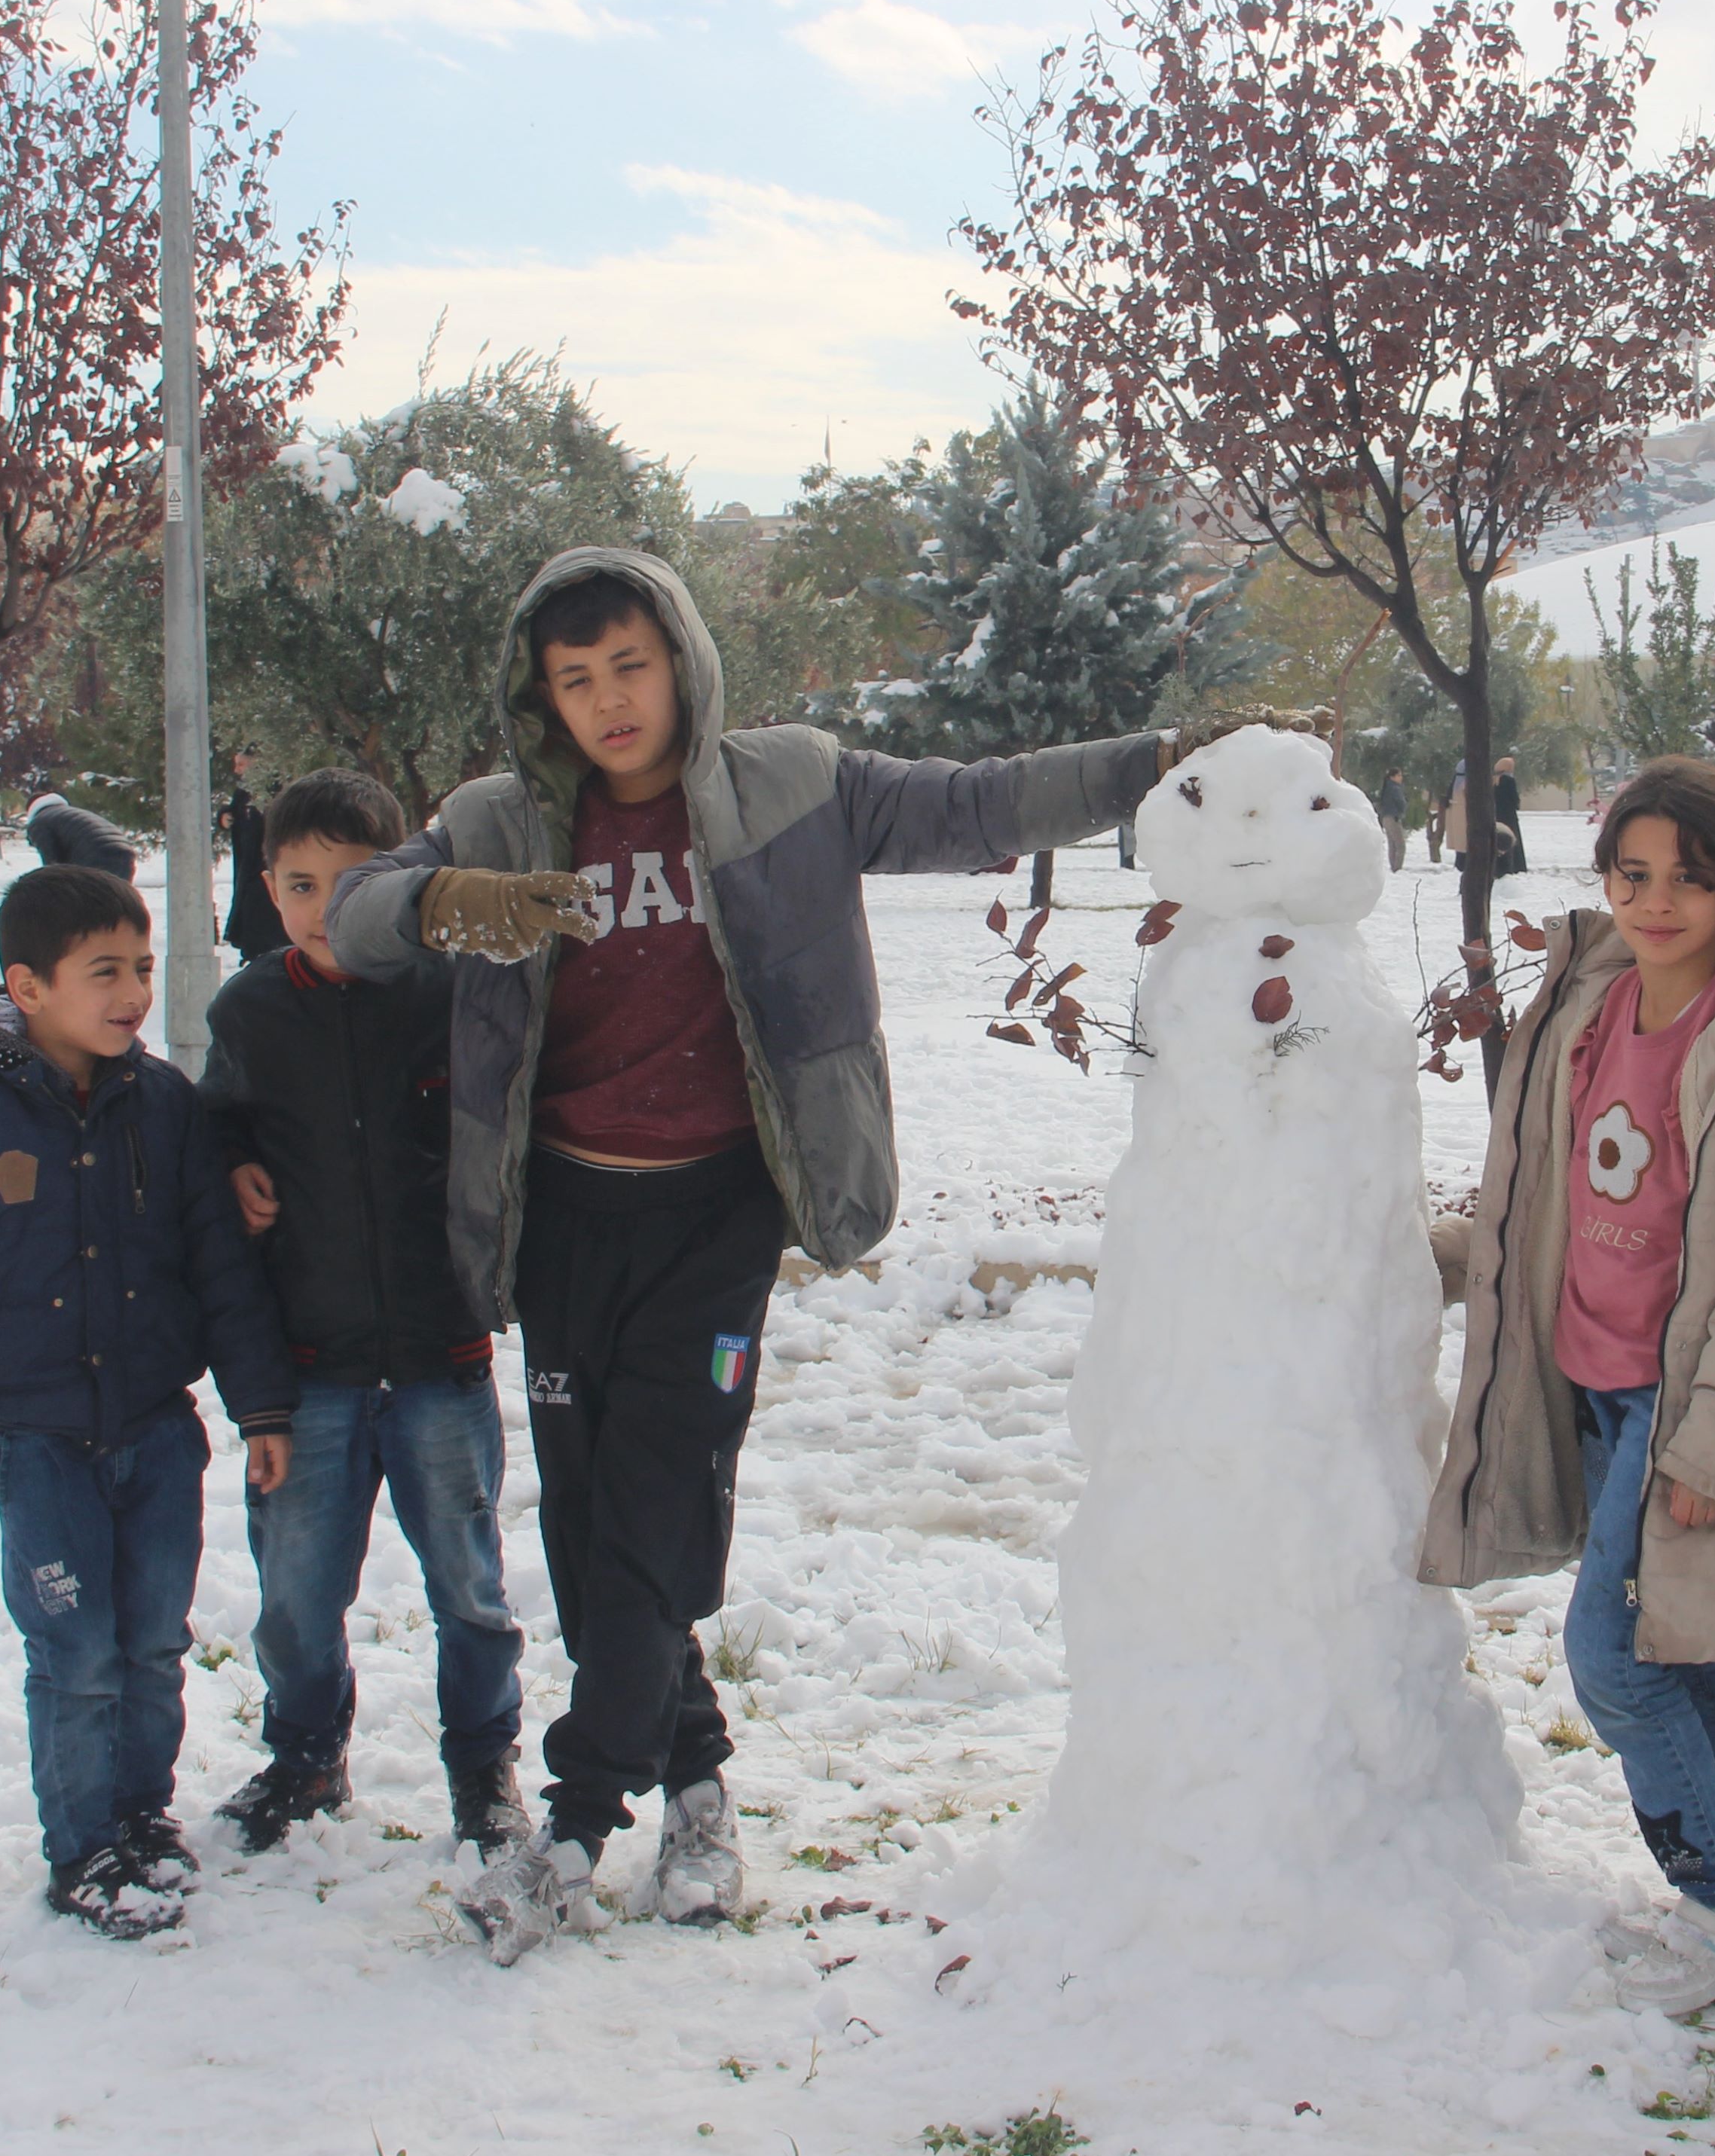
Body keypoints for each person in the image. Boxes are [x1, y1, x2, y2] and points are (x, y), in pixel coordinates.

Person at [324, 546, 1193, 1962]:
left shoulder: (790, 784)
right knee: (601, 1526)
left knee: (657, 1498)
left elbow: (974, 804)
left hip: (715, 1211)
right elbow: (352, 912)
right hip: (562, 1222)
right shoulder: (497, 818)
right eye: (574, 678)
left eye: (630, 666)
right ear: (539, 695)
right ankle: (702, 1790)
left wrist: (1152, 762)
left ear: (680, 657)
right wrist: (440, 903)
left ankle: (574, 1827)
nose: (608, 701)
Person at [1420, 756, 1715, 2014]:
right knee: (1675, 1651)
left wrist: (1714, 1451)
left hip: (1683, 1409)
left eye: (1688, 877)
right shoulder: (1583, 1002)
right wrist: (1442, 1260)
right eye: (1631, 873)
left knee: (1611, 1659)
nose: (1655, 900)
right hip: (1592, 1387)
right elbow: (1538, 1193)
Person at [0, 866, 298, 1937]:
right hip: (42, 1443)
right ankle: (82, 1844)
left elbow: (219, 1270)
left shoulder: (164, 1107)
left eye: (143, 968)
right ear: (29, 985)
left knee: (150, 1642)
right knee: (76, 1654)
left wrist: (263, 1408)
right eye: (104, 972)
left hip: (157, 1430)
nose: (134, 993)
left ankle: (143, 1816)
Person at [198, 768, 527, 1861]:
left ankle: (483, 1768)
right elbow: (215, 1133)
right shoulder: (246, 1010)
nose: (324, 908)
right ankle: (304, 1753)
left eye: (353, 885)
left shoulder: (448, 993)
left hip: (440, 1357)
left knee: (470, 1589)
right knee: (295, 1596)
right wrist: (233, 1164)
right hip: (310, 1372)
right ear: (266, 887)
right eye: (299, 884)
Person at [222, 753, 288, 963]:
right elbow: (234, 813)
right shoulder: (243, 792)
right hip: (248, 869)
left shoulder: (277, 790)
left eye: (242, 764)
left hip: (270, 865)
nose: (237, 770)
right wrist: (224, 815)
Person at [23, 787, 139, 879]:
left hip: (96, 858)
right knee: (117, 903)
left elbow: (52, 864)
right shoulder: (69, 813)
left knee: (89, 905)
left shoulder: (39, 822)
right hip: (125, 854)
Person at [1490, 753, 1527, 878]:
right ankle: (1516, 865)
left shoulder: (1495, 780)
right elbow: (1514, 799)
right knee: (1513, 839)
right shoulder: (1509, 780)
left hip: (1499, 814)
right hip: (1509, 815)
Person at [1377, 769, 1409, 872]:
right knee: (1400, 845)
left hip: (1386, 818)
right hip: (1394, 818)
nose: (1401, 778)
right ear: (1392, 777)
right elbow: (1401, 803)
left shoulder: (1386, 788)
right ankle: (1397, 867)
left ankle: (1393, 866)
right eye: (1399, 775)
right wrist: (1402, 811)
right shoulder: (1395, 788)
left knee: (1392, 844)